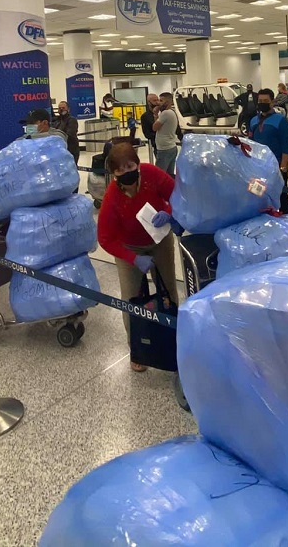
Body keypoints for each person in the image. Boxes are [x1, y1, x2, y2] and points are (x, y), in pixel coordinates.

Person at [96, 142, 181, 372]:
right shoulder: (112, 197)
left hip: (159, 239)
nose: (126, 173)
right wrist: (133, 259)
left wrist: (169, 212)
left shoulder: (151, 174)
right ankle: (137, 349)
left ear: (138, 163)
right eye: (120, 170)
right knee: (131, 298)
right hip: (130, 247)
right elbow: (105, 238)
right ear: (114, 173)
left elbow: (177, 194)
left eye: (130, 166)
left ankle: (173, 338)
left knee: (168, 290)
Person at [247, 88, 288, 214]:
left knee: (282, 197)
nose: (262, 103)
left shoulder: (281, 121)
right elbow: (250, 143)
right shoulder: (253, 121)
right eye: (260, 101)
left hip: (276, 166)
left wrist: (283, 168)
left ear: (272, 102)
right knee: (258, 196)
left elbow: (286, 146)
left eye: (265, 101)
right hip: (258, 167)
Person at [152, 92, 180, 175]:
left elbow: (154, 128)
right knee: (169, 174)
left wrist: (155, 114)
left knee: (159, 174)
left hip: (164, 149)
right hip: (171, 147)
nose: (158, 103)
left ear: (167, 102)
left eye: (161, 101)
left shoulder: (166, 113)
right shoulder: (172, 112)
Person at [139, 94, 159, 160]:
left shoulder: (163, 113)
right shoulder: (145, 116)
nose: (157, 102)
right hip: (157, 145)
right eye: (154, 100)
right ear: (149, 102)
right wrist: (160, 135)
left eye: (158, 100)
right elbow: (147, 134)